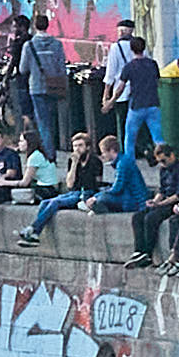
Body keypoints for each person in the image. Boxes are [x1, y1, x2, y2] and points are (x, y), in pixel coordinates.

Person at [17, 132, 105, 243]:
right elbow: (69, 185)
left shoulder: (95, 161)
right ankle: (35, 233)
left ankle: (34, 229)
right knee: (45, 202)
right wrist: (74, 164)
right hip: (74, 192)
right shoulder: (72, 160)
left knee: (55, 203)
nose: (77, 149)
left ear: (87, 147)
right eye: (75, 146)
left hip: (86, 193)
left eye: (80, 146)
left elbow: (98, 183)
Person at [124, 147, 179, 268]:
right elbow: (162, 190)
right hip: (164, 201)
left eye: (164, 160)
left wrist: (162, 203)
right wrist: (155, 201)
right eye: (160, 161)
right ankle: (139, 251)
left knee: (151, 218)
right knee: (137, 217)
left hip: (177, 202)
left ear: (171, 155)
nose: (162, 164)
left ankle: (148, 253)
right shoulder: (163, 170)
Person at [16, 14, 70, 149]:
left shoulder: (29, 46)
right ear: (48, 25)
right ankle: (49, 147)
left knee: (42, 121)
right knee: (51, 120)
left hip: (36, 87)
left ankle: (48, 152)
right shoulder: (57, 44)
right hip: (54, 86)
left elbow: (23, 69)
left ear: (35, 26)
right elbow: (62, 67)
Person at [113, 37, 163, 164]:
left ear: (131, 49)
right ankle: (164, 160)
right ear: (144, 48)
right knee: (158, 137)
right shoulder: (153, 64)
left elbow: (120, 88)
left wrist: (111, 100)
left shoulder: (129, 67)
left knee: (130, 138)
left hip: (136, 106)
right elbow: (158, 82)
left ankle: (129, 163)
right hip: (153, 103)